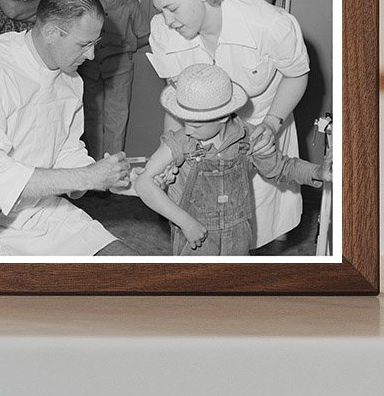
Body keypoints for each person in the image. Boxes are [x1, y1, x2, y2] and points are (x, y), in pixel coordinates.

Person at [0, 0, 136, 256]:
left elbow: (66, 152)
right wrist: (87, 177)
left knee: (128, 264)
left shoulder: (71, 78)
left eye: (95, 44)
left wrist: (118, 179)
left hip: (36, 210)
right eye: (84, 44)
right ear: (51, 32)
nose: (92, 55)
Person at [140, 0, 310, 248]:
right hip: (204, 143)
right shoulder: (165, 31)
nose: (167, 19)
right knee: (203, 229)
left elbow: (297, 75)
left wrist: (272, 123)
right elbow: (178, 101)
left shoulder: (270, 24)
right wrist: (170, 158)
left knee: (249, 232)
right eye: (160, 9)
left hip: (260, 133)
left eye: (172, 7)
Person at [135, 64, 329, 255]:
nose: (187, 130)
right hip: (195, 235)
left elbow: (283, 167)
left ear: (222, 116)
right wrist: (185, 222)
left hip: (238, 236)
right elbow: (144, 183)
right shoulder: (180, 142)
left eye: (196, 125)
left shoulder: (249, 138)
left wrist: (317, 172)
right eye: (184, 121)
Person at [80, 0, 150, 159]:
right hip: (91, 69)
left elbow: (146, 35)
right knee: (92, 119)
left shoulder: (131, 4)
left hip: (119, 72)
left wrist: (129, 44)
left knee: (116, 121)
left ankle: (111, 172)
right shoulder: (89, 2)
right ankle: (93, 168)